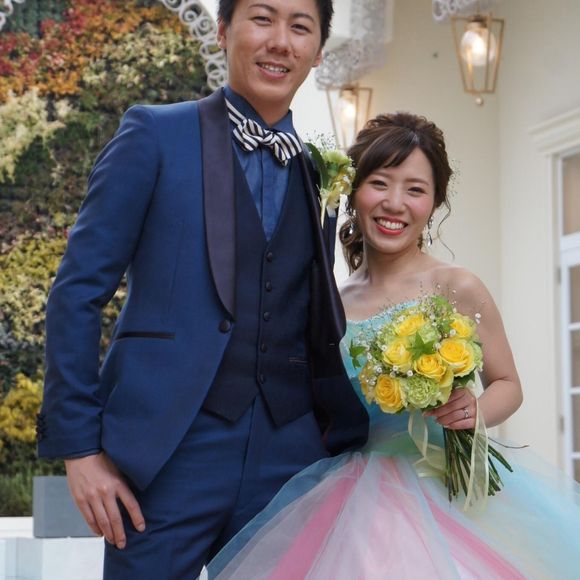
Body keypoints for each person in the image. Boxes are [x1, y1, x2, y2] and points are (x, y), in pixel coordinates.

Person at [36, 1, 369, 578]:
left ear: (317, 53)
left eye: (300, 27)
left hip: (291, 457)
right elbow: (76, 293)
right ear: (222, 31)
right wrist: (80, 449)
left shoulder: (320, 170)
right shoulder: (154, 134)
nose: (281, 41)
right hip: (166, 455)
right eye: (262, 18)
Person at [206, 113, 580, 579]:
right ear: (352, 191)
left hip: (442, 489)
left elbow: (508, 383)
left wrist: (473, 411)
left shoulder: (455, 286)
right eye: (379, 183)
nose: (395, 203)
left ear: (435, 202)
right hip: (345, 494)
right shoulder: (331, 301)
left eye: (415, 189)